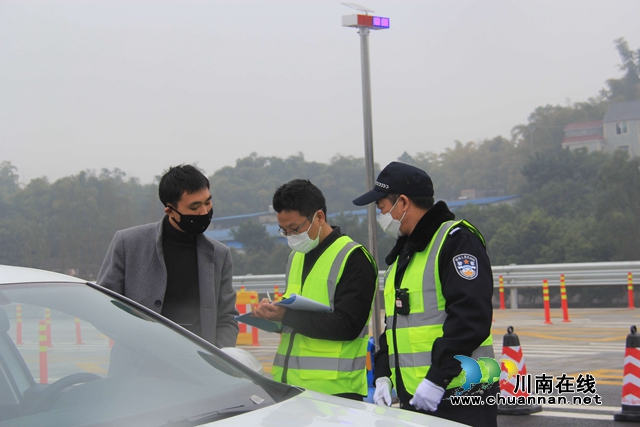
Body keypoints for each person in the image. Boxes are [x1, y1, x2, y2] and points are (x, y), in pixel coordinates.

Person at [352, 161, 496, 427]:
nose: (381, 215)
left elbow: (470, 318)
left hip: (459, 392)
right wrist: (383, 373)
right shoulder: (404, 255)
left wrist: (437, 379)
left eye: (381, 208)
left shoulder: (455, 241)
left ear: (403, 202)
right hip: (418, 395)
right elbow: (396, 325)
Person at [252, 179, 378, 401]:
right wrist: (272, 317)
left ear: (319, 217)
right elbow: (293, 321)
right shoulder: (296, 256)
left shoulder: (354, 257)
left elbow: (348, 326)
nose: (290, 236)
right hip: (289, 387)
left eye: (294, 228)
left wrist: (288, 316)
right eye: (284, 230)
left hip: (335, 392)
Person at [97, 164, 238, 348]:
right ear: (170, 210)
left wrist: (217, 359)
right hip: (139, 365)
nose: (204, 212)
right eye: (194, 206)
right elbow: (103, 306)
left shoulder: (219, 254)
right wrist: (134, 341)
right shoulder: (128, 243)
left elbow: (227, 317)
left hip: (199, 368)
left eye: (207, 202)